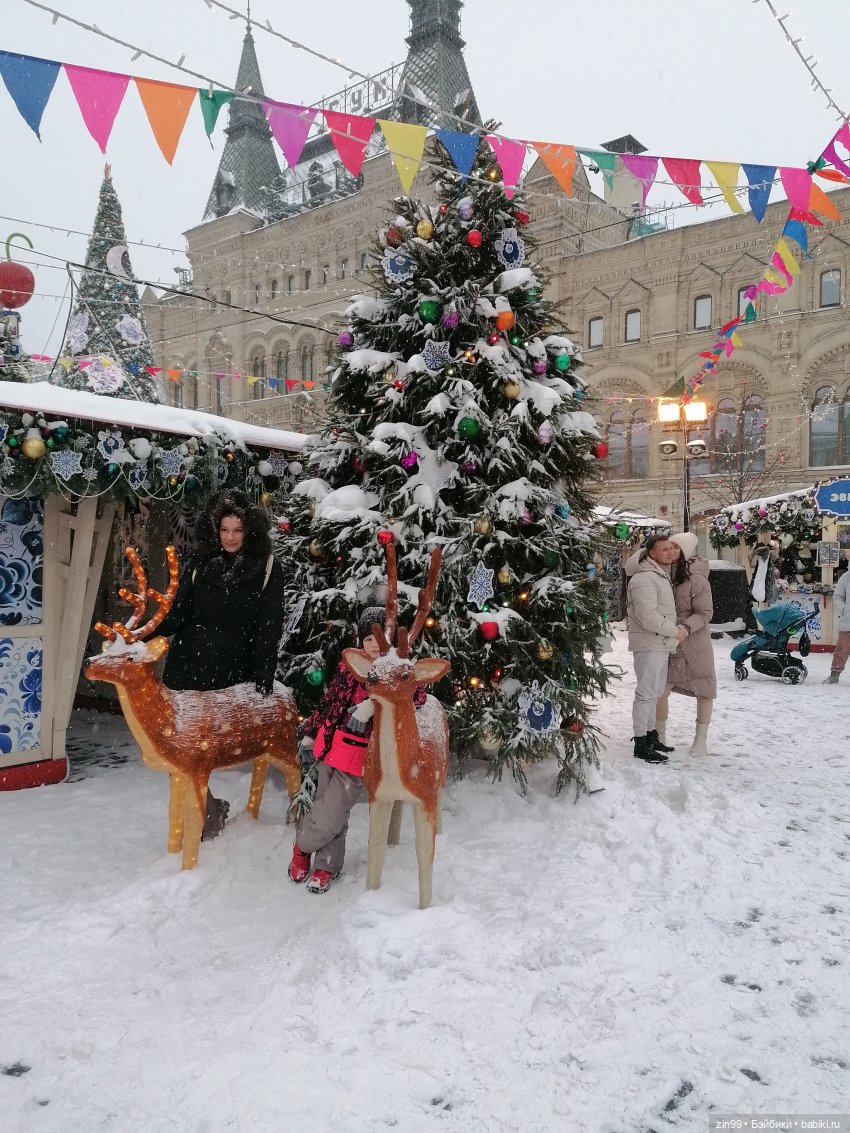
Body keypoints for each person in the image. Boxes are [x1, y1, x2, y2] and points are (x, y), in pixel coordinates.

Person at [157, 489, 286, 840]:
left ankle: (207, 812)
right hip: (188, 666)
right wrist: (147, 630)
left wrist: (263, 671)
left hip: (229, 673)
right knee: (177, 747)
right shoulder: (201, 562)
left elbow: (268, 625)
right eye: (224, 530)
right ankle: (210, 810)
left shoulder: (268, 567)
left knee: (208, 749)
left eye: (237, 531)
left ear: (249, 532)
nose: (230, 537)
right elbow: (180, 612)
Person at [288, 607, 426, 894]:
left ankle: (302, 847)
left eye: (378, 639)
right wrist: (311, 733)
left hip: (359, 753)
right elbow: (330, 704)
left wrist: (374, 701)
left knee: (334, 809)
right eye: (367, 640)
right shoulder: (349, 667)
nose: (373, 646)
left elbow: (417, 695)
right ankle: (327, 865)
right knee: (329, 806)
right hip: (330, 745)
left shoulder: (395, 671)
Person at [624, 534, 687, 764]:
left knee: (654, 693)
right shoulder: (643, 578)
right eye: (664, 549)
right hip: (649, 644)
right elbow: (647, 616)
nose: (670, 552)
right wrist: (674, 630)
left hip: (659, 644)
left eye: (672, 548)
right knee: (646, 694)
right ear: (652, 553)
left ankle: (650, 736)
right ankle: (640, 743)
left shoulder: (659, 575)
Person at [655, 532, 717, 756]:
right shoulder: (659, 573)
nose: (671, 551)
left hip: (695, 643)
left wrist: (685, 627)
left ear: (686, 552)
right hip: (668, 641)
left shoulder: (697, 579)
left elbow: (705, 612)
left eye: (676, 547)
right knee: (660, 690)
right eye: (668, 546)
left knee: (704, 690)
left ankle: (701, 740)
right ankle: (659, 735)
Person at [824, 567, 850, 684]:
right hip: (848, 621)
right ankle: (834, 674)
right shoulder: (846, 577)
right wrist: (845, 609)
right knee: (841, 649)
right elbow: (837, 597)